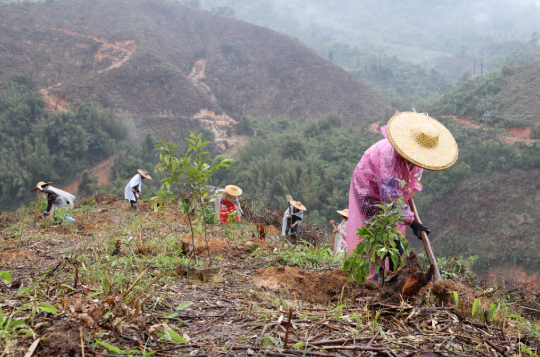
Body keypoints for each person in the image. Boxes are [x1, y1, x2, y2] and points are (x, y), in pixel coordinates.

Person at [346, 112, 458, 280]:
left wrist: (408, 211)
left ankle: (388, 277)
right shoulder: (389, 160)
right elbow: (390, 200)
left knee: (393, 243)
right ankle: (374, 278)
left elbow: (405, 184)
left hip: (387, 189)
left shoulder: (415, 159)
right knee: (378, 234)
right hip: (368, 187)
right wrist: (413, 223)